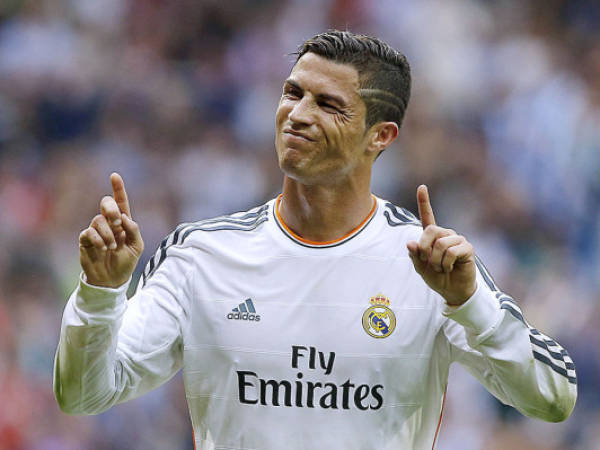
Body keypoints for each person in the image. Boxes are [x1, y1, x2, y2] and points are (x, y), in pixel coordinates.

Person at [54, 30, 577, 449]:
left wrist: (468, 302)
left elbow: (553, 398)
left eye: (329, 104)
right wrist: (101, 293)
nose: (298, 115)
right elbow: (83, 395)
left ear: (381, 135)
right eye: (292, 92)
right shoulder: (201, 255)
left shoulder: (430, 265)